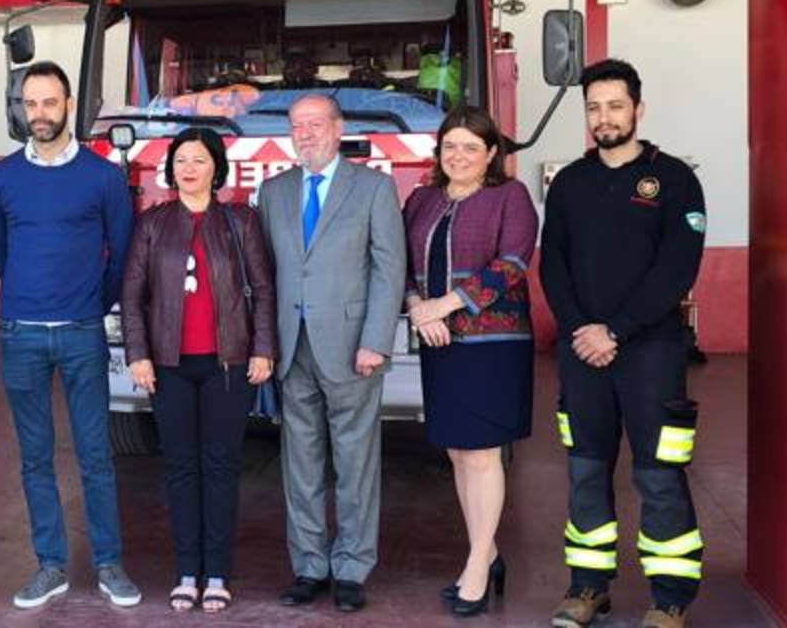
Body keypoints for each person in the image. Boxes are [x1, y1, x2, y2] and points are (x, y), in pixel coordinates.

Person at [540, 59, 706, 628]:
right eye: (593, 107)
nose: (603, 117)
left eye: (614, 105)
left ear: (638, 108)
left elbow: (676, 268)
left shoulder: (675, 179)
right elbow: (553, 266)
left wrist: (616, 330)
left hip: (651, 354)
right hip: (582, 353)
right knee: (586, 470)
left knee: (658, 474)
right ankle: (588, 588)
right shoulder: (570, 182)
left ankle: (670, 597)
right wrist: (582, 331)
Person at [0, 61, 141, 609]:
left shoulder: (103, 178)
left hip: (81, 332)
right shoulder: (2, 176)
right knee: (34, 456)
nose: (40, 114)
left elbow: (121, 254)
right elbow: (2, 253)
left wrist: (89, 306)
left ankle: (108, 563)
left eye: (49, 103)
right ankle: (49, 565)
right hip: (20, 334)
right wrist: (30, 299)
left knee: (95, 453)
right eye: (30, 104)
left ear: (69, 105)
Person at [256, 93, 405, 612]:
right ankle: (309, 565)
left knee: (355, 460)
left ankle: (352, 568)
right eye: (298, 126)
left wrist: (376, 341)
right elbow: (267, 277)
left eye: (316, 125)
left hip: (351, 348)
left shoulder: (373, 188)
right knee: (300, 461)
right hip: (292, 348)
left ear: (339, 130)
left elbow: (389, 269)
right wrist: (266, 344)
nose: (306, 134)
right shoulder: (272, 191)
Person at [120, 127, 277, 613]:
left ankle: (218, 574)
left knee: (221, 467)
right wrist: (138, 354)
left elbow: (264, 289)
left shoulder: (240, 221)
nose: (189, 168)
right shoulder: (152, 223)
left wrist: (263, 348)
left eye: (200, 160)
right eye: (181, 160)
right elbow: (132, 295)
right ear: (171, 169)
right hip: (169, 367)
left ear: (216, 168)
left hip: (227, 365)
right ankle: (187, 571)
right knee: (181, 468)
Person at [403, 105, 539, 617]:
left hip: (493, 344)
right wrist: (420, 308)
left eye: (470, 147)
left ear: (490, 155)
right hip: (439, 342)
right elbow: (400, 263)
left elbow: (513, 263)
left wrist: (446, 304)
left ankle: (478, 565)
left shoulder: (510, 197)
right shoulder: (421, 200)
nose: (458, 156)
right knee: (457, 454)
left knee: (483, 455)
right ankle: (490, 552)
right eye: (450, 146)